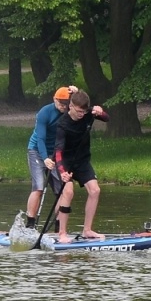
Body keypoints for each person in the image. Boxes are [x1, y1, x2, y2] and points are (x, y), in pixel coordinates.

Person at [49, 90, 109, 242]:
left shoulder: (88, 113)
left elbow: (106, 118)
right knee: (68, 192)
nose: (82, 114)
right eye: (79, 111)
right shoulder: (63, 124)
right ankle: (62, 233)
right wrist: (62, 171)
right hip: (65, 161)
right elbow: (58, 151)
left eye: (84, 111)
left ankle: (87, 230)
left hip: (82, 161)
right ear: (71, 106)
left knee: (95, 190)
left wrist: (100, 112)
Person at [25, 85, 75, 229]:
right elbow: (40, 138)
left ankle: (58, 227)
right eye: (61, 103)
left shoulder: (70, 112)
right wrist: (45, 158)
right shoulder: (44, 113)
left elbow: (83, 107)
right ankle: (30, 224)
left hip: (57, 154)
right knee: (39, 187)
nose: (63, 107)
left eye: (66, 104)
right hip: (37, 150)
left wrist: (77, 92)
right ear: (54, 99)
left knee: (62, 191)